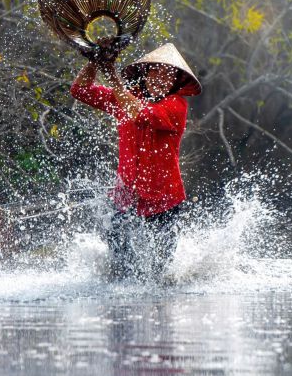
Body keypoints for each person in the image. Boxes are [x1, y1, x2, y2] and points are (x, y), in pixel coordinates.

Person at [70, 40, 202, 281]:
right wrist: (94, 60)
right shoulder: (127, 97)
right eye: (156, 72)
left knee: (160, 273)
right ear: (146, 73)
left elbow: (138, 113)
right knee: (121, 265)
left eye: (169, 75)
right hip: (126, 196)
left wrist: (110, 73)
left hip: (164, 199)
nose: (161, 78)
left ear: (176, 82)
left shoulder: (176, 105)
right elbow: (80, 90)